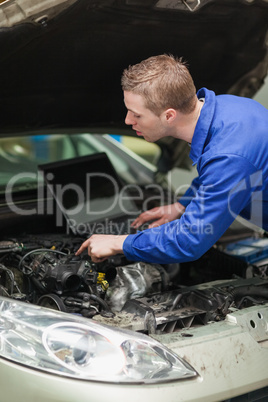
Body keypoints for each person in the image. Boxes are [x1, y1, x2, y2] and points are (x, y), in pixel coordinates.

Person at [76, 54, 268, 263]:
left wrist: (118, 243)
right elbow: (216, 177)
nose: (127, 120)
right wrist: (181, 206)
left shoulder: (229, 155)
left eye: (136, 114)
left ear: (169, 115)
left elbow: (189, 241)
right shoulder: (230, 107)